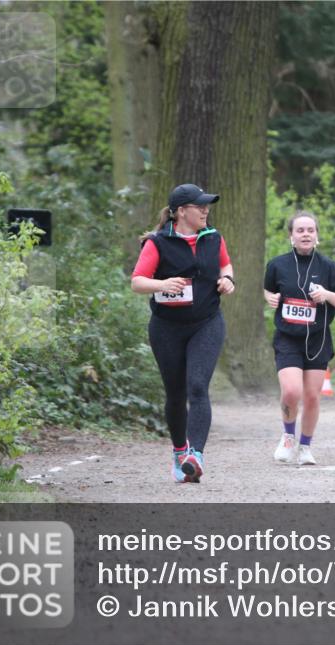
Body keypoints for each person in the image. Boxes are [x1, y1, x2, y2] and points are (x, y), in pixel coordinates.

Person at [131, 184, 234, 484]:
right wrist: (162, 285)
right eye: (199, 205)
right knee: (175, 394)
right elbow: (138, 281)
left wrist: (227, 280)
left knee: (198, 386)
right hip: (166, 328)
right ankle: (179, 452)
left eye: (207, 205)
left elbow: (225, 265)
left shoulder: (213, 237)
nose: (205, 210)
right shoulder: (157, 243)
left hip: (206, 322)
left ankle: (195, 456)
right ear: (180, 212)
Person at [264, 211, 335, 466]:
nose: (305, 234)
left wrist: (327, 294)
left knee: (312, 396)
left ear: (317, 236)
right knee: (291, 391)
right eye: (300, 230)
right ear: (291, 236)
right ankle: (288, 435)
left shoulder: (329, 266)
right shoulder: (277, 264)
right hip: (287, 337)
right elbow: (269, 290)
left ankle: (305, 447)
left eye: (310, 230)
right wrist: (269, 298)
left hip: (318, 338)